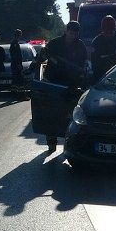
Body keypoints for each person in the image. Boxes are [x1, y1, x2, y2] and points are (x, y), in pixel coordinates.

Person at [35, 21, 90, 152]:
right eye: (71, 33)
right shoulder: (54, 43)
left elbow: (83, 66)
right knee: (51, 113)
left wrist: (83, 82)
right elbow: (41, 57)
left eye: (76, 34)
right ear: (66, 31)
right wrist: (32, 69)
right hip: (53, 83)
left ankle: (70, 142)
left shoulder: (80, 46)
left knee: (69, 114)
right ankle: (51, 141)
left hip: (71, 86)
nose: (73, 36)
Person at [9, 29, 24, 95]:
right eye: (20, 34)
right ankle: (20, 95)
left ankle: (14, 93)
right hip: (16, 64)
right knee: (19, 80)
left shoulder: (14, 42)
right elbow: (15, 55)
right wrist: (18, 64)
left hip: (14, 64)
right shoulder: (14, 43)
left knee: (15, 80)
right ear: (18, 35)